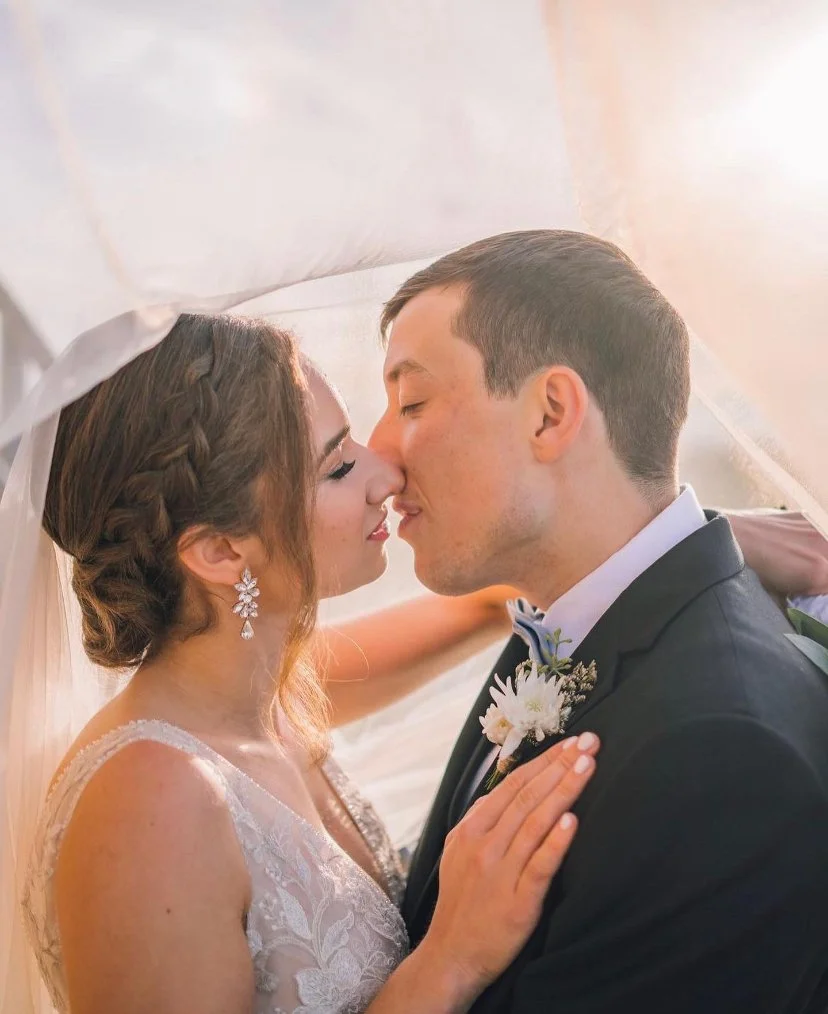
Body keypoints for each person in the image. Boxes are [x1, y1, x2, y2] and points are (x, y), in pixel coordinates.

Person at [18, 302, 823, 1014]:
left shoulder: (252, 702)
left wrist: (654, 547)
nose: (385, 472)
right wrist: (446, 965)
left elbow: (347, 664)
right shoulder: (151, 807)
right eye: (337, 466)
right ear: (221, 551)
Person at [369, 229, 828, 1013]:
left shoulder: (721, 752)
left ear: (551, 413)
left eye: (412, 401)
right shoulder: (565, 620)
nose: (380, 453)